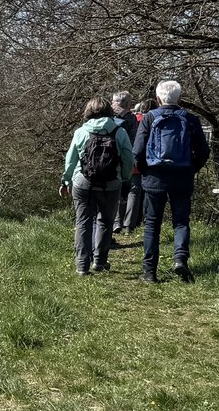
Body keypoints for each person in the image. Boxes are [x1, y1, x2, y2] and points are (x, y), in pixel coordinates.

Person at [133, 80, 210, 283]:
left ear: (158, 99)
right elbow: (204, 151)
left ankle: (149, 271)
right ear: (180, 98)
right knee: (181, 222)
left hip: (154, 178)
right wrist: (191, 168)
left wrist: (145, 170)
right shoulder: (190, 119)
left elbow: (137, 151)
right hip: (182, 177)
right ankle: (180, 259)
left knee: (152, 224)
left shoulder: (149, 118)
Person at [60, 97, 135, 275]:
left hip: (83, 182)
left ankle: (82, 266)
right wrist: (124, 178)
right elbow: (128, 159)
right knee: (105, 221)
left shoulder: (81, 132)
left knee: (83, 222)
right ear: (109, 111)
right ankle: (99, 261)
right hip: (111, 183)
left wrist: (66, 180)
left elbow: (70, 160)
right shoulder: (119, 131)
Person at [111, 91, 144, 235]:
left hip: (113, 159)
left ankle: (116, 221)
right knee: (133, 191)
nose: (112, 103)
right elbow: (136, 139)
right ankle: (129, 225)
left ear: (118, 103)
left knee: (116, 189)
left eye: (113, 101)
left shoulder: (110, 118)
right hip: (130, 158)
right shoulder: (132, 118)